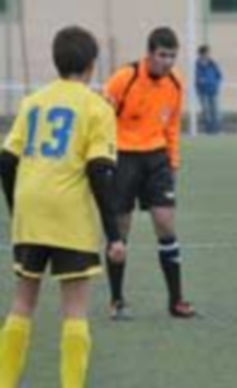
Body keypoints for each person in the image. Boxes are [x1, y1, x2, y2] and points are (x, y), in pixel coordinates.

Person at [0, 26, 125, 387]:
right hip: (69, 214)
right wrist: (114, 235)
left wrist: (16, 209)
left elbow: (6, 162)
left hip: (31, 210)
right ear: (91, 65)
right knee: (74, 308)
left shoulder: (32, 102)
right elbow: (99, 171)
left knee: (23, 301)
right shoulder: (97, 108)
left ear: (57, 61)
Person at [104, 26, 196, 319]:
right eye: (162, 55)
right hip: (123, 157)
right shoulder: (124, 78)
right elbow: (101, 118)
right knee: (121, 229)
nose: (167, 62)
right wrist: (104, 158)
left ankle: (176, 300)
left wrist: (173, 163)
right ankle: (117, 300)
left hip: (156, 159)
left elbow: (172, 128)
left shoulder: (176, 84)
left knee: (166, 223)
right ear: (149, 54)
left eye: (172, 56)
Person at [195, 44, 223, 134]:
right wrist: (200, 82)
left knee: (215, 110)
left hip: (213, 90)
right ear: (201, 54)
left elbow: (219, 75)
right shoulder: (197, 65)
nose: (208, 55)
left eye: (208, 53)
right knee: (206, 111)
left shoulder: (213, 64)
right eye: (206, 53)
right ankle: (209, 129)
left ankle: (217, 129)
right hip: (203, 91)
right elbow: (196, 78)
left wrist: (216, 84)